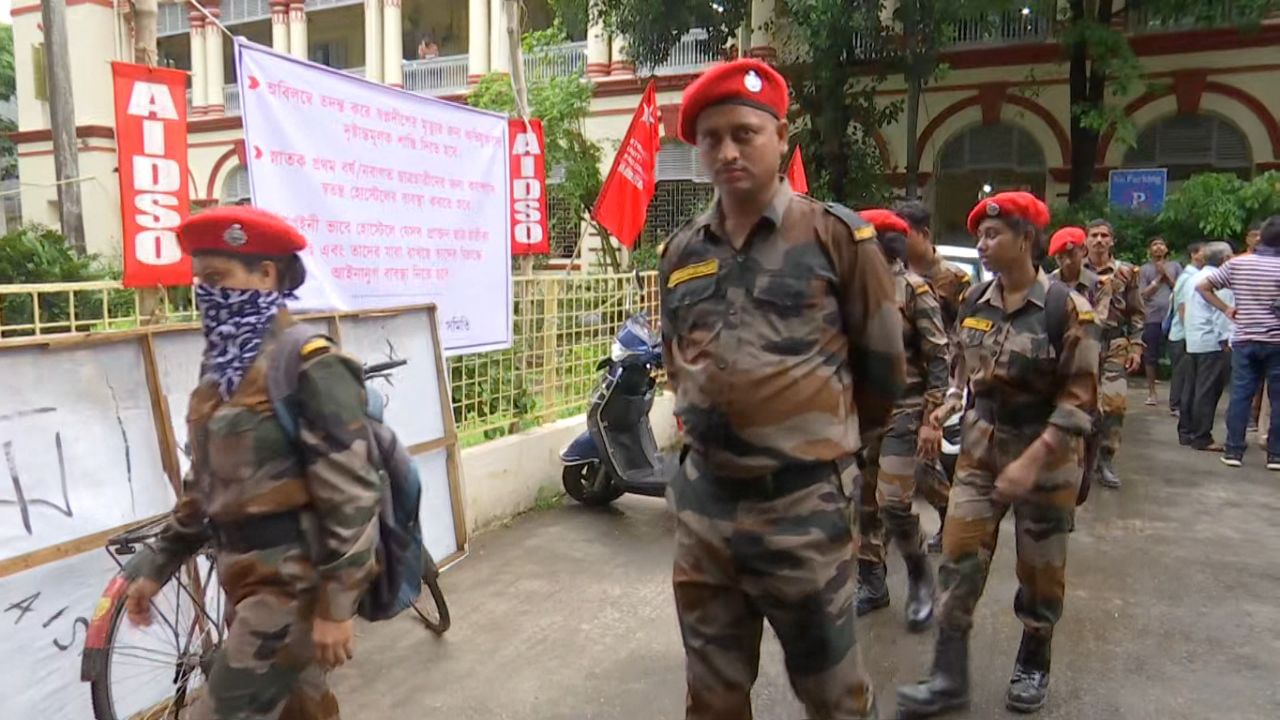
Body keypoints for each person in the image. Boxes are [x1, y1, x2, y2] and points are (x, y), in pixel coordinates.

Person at [659, 58, 905, 720]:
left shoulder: (835, 236)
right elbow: (678, 359)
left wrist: (822, 449)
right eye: (710, 138)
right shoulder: (682, 252)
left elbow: (883, 368)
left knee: (832, 696)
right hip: (706, 514)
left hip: (801, 513)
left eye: (744, 132)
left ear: (780, 135)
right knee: (711, 698)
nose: (728, 150)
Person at [123, 206, 383, 720]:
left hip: (291, 587)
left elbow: (352, 496)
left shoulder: (311, 364)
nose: (205, 294)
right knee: (299, 711)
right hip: (241, 581)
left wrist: (335, 608)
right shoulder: (221, 369)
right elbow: (204, 488)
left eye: (217, 278)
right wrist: (156, 565)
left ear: (266, 275)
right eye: (199, 281)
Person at [896, 192, 1100, 718]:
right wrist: (940, 412)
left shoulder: (1066, 309)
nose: (982, 245)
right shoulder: (974, 303)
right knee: (959, 561)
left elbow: (1079, 403)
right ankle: (948, 677)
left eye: (993, 236)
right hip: (981, 455)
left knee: (1040, 572)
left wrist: (1032, 462)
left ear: (1026, 240)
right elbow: (967, 377)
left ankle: (1034, 658)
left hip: (1046, 459)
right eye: (980, 237)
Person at [852, 209, 947, 632]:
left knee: (893, 503)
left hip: (905, 410)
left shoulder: (913, 290)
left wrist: (932, 418)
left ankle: (919, 573)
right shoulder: (850, 292)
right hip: (859, 415)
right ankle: (872, 582)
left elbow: (939, 357)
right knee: (862, 502)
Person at [898, 200, 972, 553]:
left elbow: (967, 334)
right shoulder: (894, 275)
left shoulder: (954, 279)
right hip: (902, 380)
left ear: (924, 234)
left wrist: (957, 385)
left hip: (940, 380)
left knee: (930, 460)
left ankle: (950, 516)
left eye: (903, 232)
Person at [1198, 216, 1280, 470]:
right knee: (1277, 399)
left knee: (1240, 396)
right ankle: (1276, 455)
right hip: (1276, 341)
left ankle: (1234, 451)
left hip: (1244, 338)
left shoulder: (1238, 264)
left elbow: (1204, 287)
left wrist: (1227, 309)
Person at [1083, 219, 1144, 489]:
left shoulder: (1127, 272)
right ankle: (1082, 459)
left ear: (1112, 241)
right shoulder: (1072, 270)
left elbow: (1137, 312)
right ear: (1085, 240)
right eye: (1094, 235)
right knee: (1080, 403)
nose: (1099, 240)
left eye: (1104, 235)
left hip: (1115, 344)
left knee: (1114, 404)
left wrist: (1137, 346)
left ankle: (1106, 459)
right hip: (1083, 344)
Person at [1048, 226, 1101, 506]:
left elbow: (1098, 323)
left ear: (1082, 252)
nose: (1067, 261)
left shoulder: (1098, 284)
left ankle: (1086, 479)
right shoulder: (1047, 285)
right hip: (1059, 361)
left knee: (1091, 421)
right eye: (1060, 256)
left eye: (1072, 254)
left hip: (1094, 359)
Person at [1178, 242, 1235, 452]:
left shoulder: (1194, 277)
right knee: (1207, 391)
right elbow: (1222, 314)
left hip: (1194, 338)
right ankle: (1202, 436)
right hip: (1211, 341)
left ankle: (1186, 432)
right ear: (1225, 259)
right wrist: (1225, 340)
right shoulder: (1220, 281)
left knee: (1191, 388)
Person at [1138, 237, 1182, 406]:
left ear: (1166, 248)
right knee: (1151, 356)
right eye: (1154, 245)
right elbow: (1143, 294)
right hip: (1152, 317)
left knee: (1177, 355)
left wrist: (1166, 274)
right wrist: (1157, 279)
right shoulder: (1144, 269)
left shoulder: (1176, 266)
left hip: (1173, 317)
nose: (1158, 247)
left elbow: (1180, 288)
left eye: (1161, 244)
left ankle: (1176, 395)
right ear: (1149, 250)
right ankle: (1151, 392)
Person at [1168, 243, 1206, 418]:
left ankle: (1179, 403)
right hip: (1182, 332)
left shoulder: (1194, 275)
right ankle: (1176, 404)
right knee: (1181, 372)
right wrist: (1189, 330)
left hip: (1184, 332)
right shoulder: (1189, 277)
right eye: (1202, 252)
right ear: (1193, 254)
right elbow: (1182, 306)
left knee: (1184, 371)